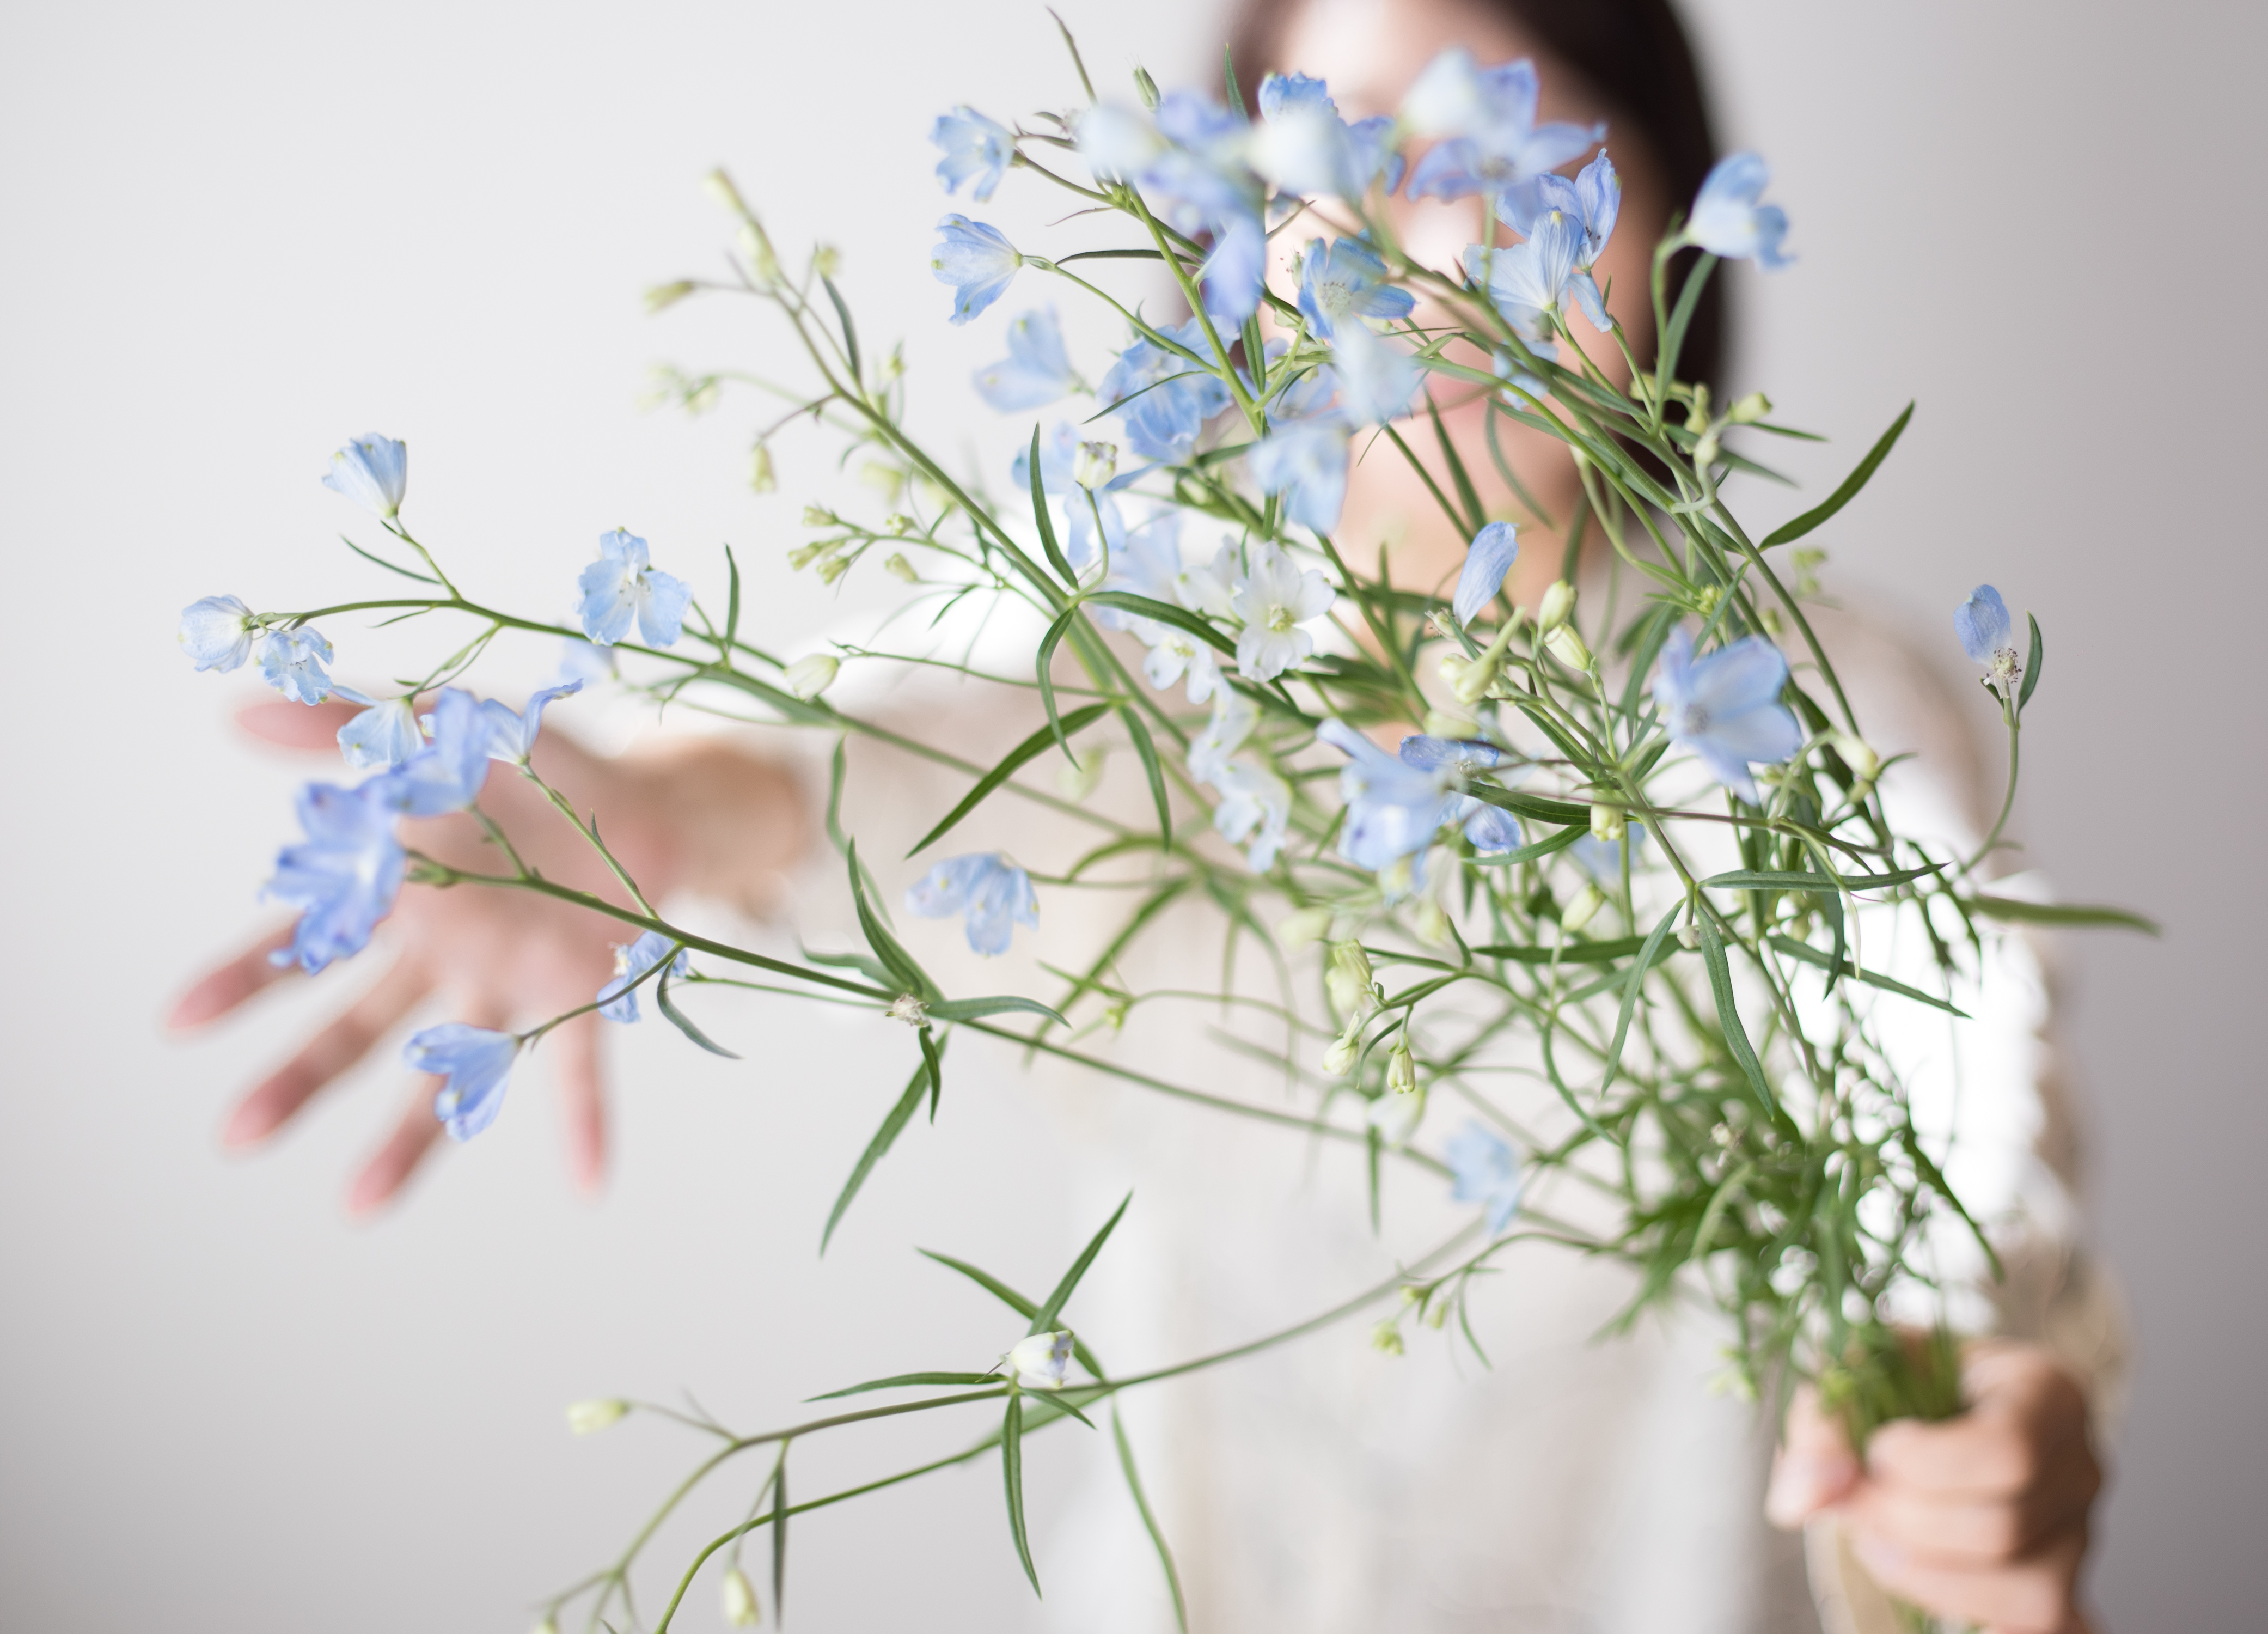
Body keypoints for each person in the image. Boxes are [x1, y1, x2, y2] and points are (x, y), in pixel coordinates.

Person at [170, 2, 2117, 1628]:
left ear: (1666, 215)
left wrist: (1989, 1455)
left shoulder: (1836, 708)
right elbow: (874, 755)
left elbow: (1968, 1191)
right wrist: (635, 815)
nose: (1413, 254)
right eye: (1327, 166)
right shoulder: (1149, 659)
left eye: (1499, 164)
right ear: (1224, 256)